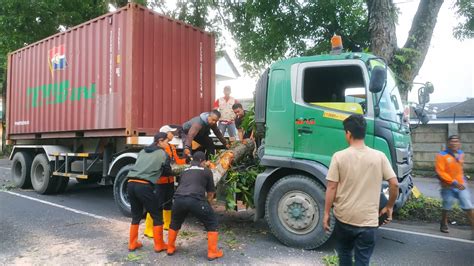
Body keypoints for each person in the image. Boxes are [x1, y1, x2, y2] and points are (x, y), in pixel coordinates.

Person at [323, 114, 399, 266]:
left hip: (344, 219)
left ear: (348, 134)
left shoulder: (339, 157)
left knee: (344, 254)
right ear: (363, 133)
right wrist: (389, 206)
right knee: (362, 261)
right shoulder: (379, 156)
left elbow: (331, 187)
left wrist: (326, 214)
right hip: (369, 222)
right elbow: (394, 184)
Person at [166, 151, 224, 261]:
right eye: (205, 161)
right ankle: (212, 252)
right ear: (202, 161)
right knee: (212, 222)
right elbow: (211, 193)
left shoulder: (184, 171)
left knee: (175, 222)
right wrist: (208, 204)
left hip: (178, 199)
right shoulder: (207, 171)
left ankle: (170, 248)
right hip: (195, 200)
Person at [127, 132, 171, 252]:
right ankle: (159, 245)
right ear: (160, 141)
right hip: (144, 186)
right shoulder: (163, 154)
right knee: (157, 215)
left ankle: (132, 243)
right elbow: (167, 171)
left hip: (130, 183)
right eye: (167, 141)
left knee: (136, 215)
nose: (168, 144)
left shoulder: (142, 151)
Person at [144, 126, 187, 238]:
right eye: (171, 133)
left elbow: (177, 161)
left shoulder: (172, 147)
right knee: (155, 204)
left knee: (168, 202)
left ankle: (167, 224)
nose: (173, 134)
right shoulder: (158, 148)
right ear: (164, 135)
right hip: (159, 181)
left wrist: (186, 160)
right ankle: (148, 228)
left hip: (170, 180)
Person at [435, 135, 474, 236]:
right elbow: (440, 172)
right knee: (447, 205)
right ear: (448, 143)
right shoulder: (441, 155)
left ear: (459, 143)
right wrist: (453, 182)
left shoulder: (461, 154)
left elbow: (459, 169)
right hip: (448, 186)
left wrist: (461, 180)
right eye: (452, 141)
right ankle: (443, 222)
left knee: (468, 206)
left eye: (456, 141)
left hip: (461, 184)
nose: (454, 143)